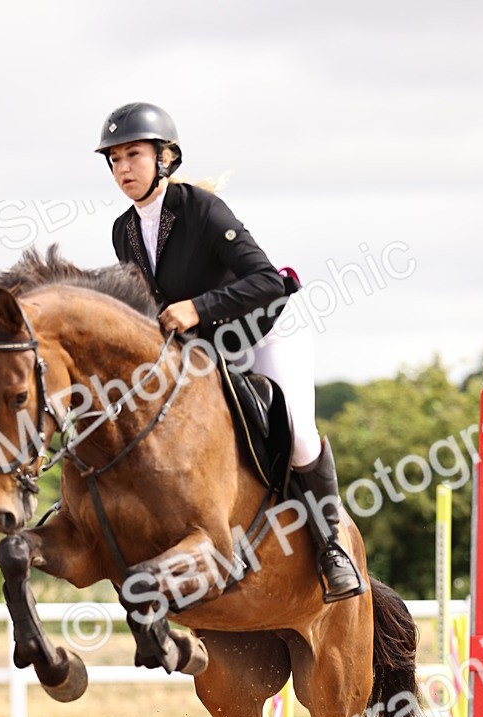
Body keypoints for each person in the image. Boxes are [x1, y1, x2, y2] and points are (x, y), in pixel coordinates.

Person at [95, 101, 364, 603]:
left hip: (268, 327)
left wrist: (198, 307)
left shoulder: (201, 209)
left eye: (132, 155)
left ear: (165, 158)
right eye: (114, 159)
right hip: (208, 345)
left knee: (298, 433)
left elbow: (266, 279)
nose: (122, 168)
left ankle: (332, 549)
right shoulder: (123, 231)